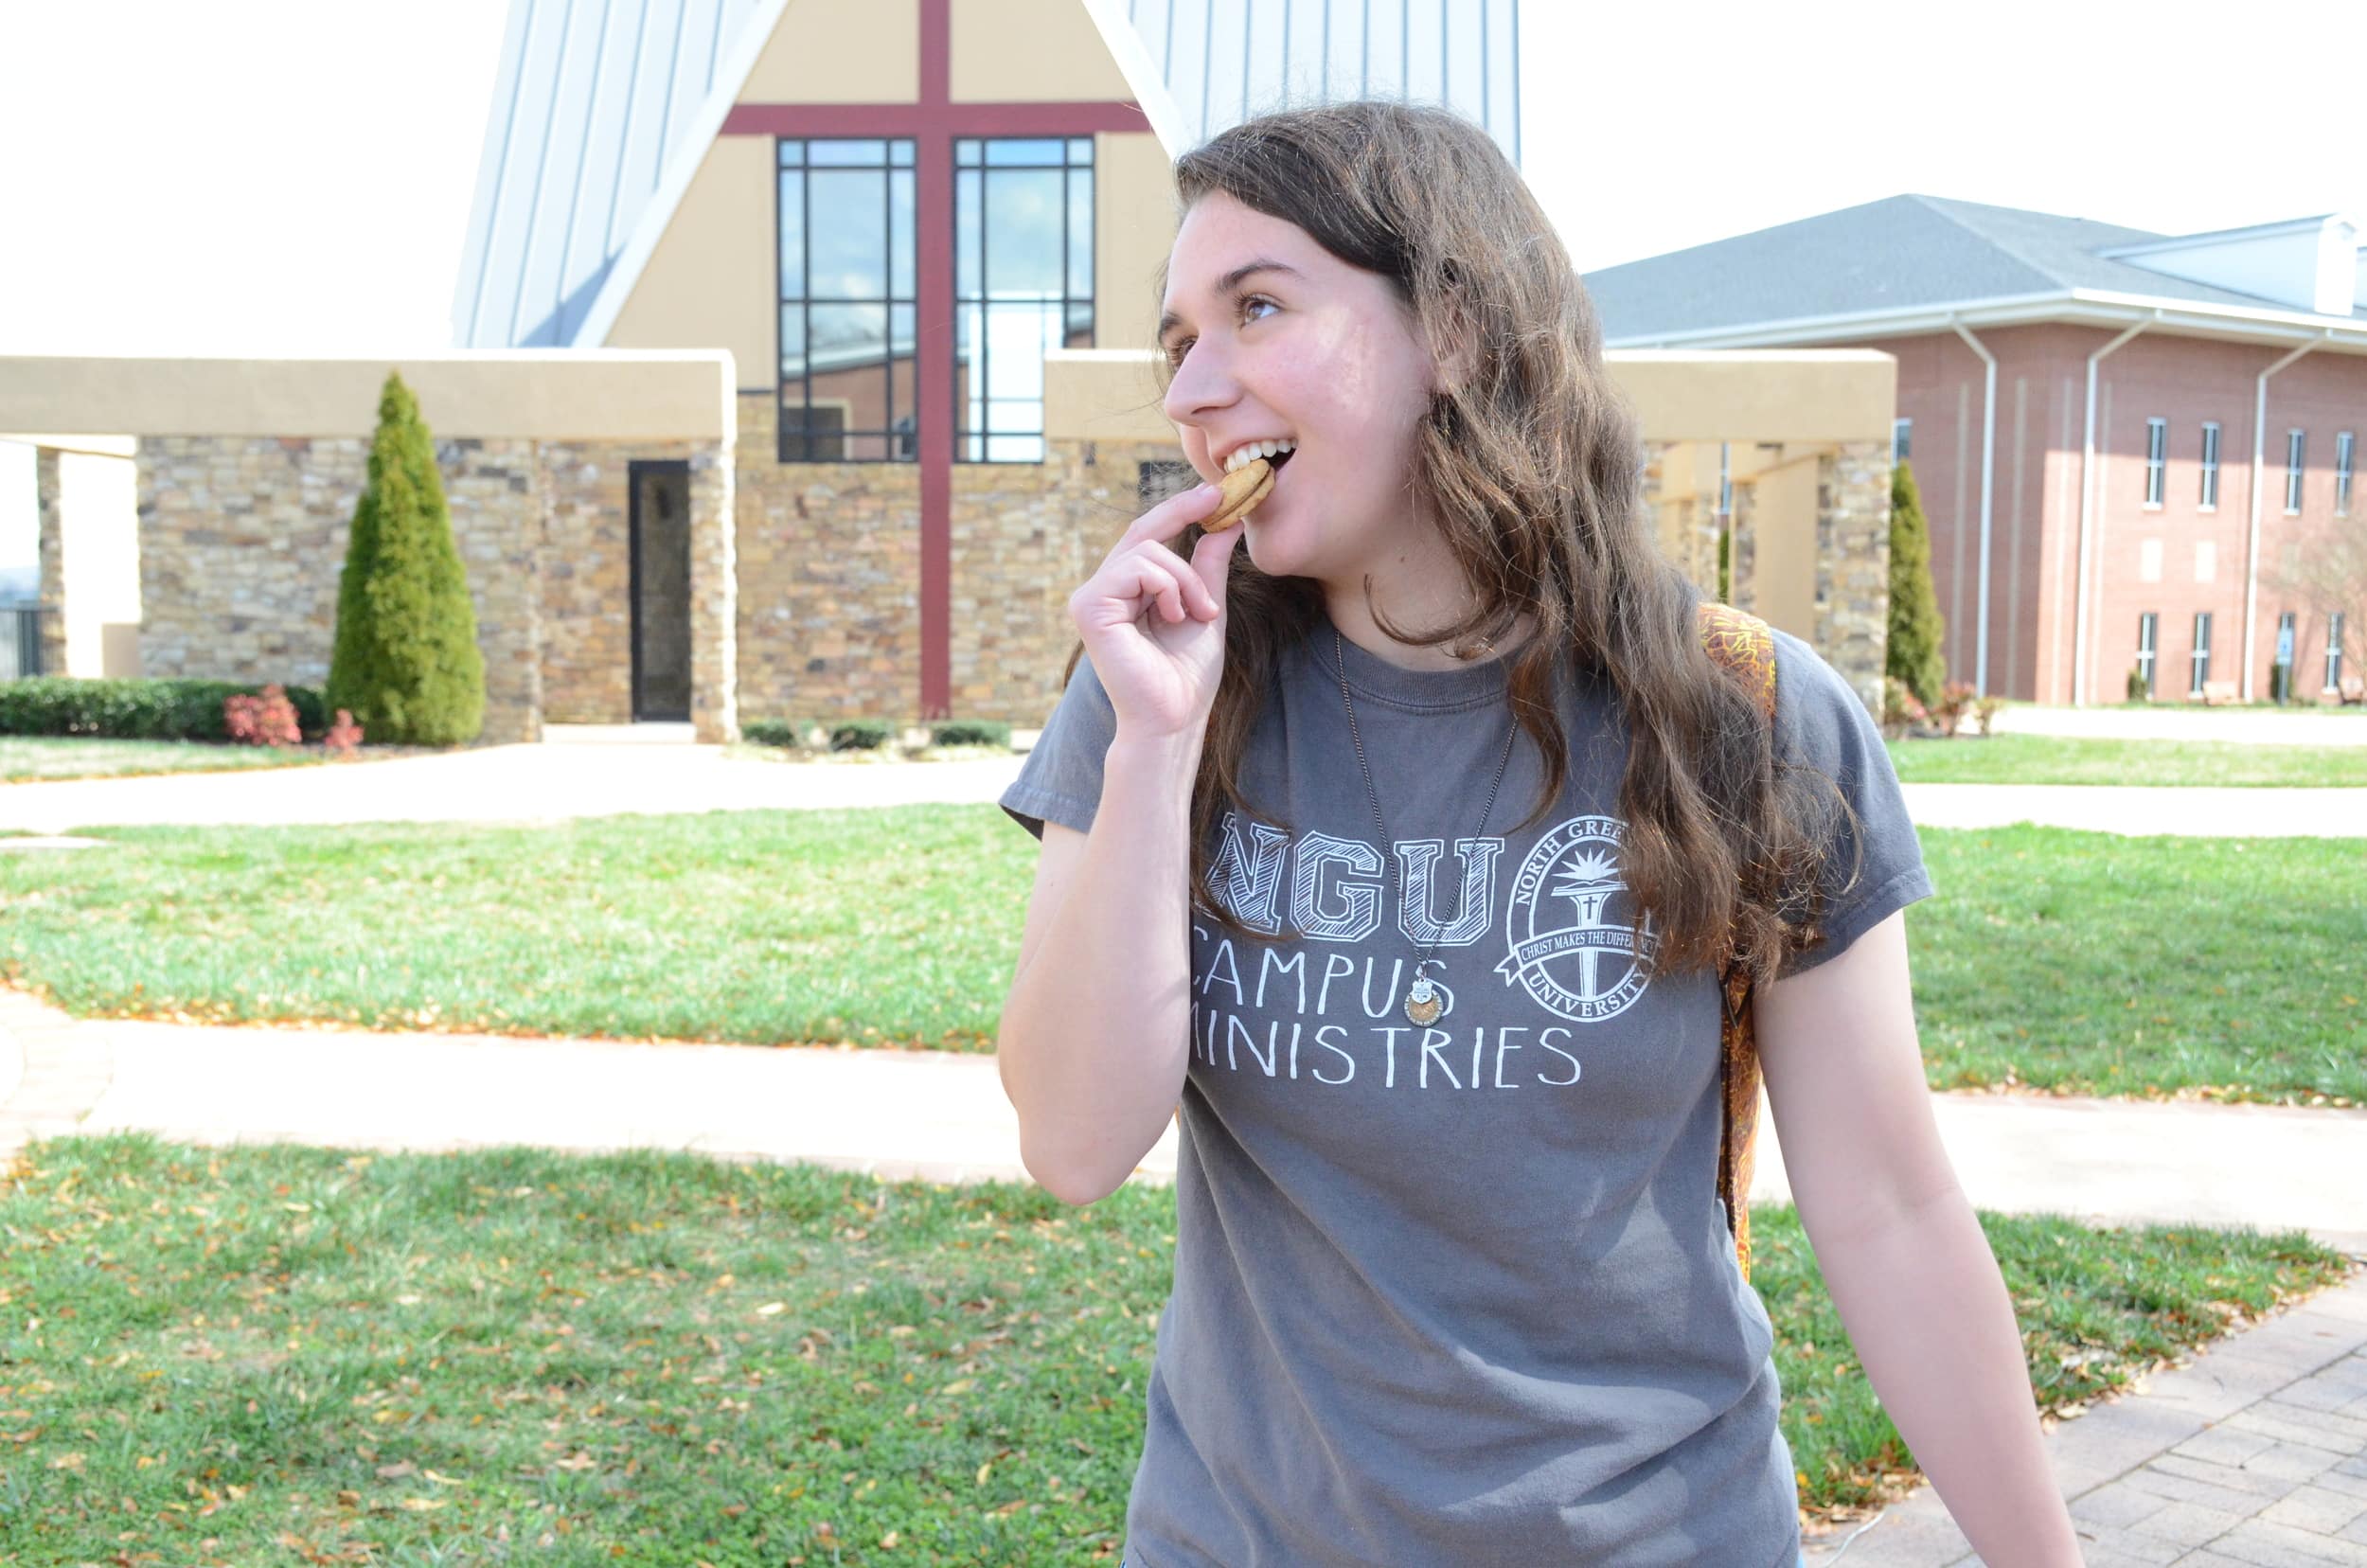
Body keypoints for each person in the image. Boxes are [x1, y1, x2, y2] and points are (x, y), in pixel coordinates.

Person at [995, 100, 2081, 1568]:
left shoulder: (1745, 717)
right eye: (1179, 338)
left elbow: (1890, 1208)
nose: (1195, 385)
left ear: (1456, 327)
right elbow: (1070, 1140)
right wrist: (1155, 746)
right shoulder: (1163, 695)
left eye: (1257, 307)